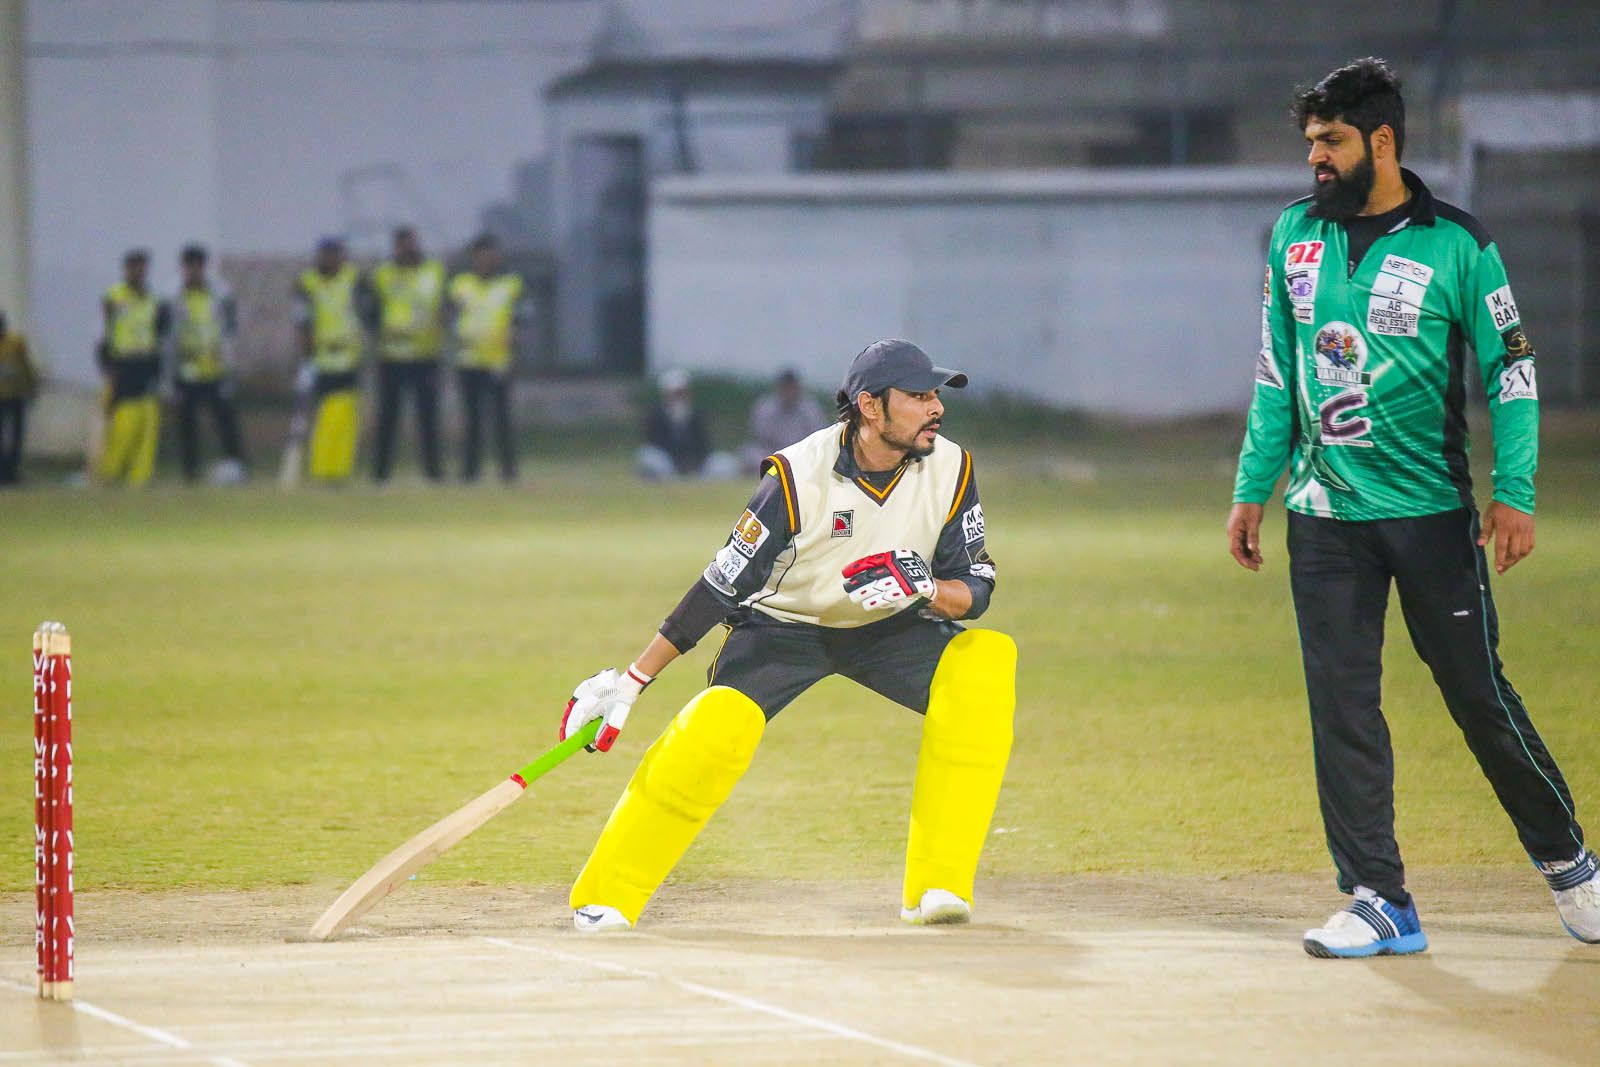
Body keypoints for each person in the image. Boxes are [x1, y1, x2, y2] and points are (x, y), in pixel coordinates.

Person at [1226, 58, 1596, 959]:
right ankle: (1378, 897)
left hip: (1430, 515)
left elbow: (1513, 370)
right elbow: (1277, 369)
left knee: (1477, 695)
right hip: (1323, 516)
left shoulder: (1459, 244)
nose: (1315, 158)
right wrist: (1252, 485)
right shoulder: (1292, 236)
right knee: (1343, 708)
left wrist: (1515, 493)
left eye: (1331, 141)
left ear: (1382, 142)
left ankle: (1572, 867)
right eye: (1311, 142)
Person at [559, 338, 1010, 932]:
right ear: (870, 406)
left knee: (984, 664)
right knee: (718, 725)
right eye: (920, 395)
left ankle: (937, 886)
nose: (937, 408)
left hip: (890, 627)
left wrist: (926, 588)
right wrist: (633, 681)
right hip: (783, 629)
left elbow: (975, 588)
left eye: (937, 396)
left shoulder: (951, 467)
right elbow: (721, 584)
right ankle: (606, 895)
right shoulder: (797, 475)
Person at [448, 233, 525, 483]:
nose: (487, 260)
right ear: (474, 257)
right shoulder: (461, 285)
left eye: (491, 255)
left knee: (502, 418)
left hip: (498, 361)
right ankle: (470, 471)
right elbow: (448, 314)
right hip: (469, 360)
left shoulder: (510, 285)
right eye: (482, 256)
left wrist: (517, 335)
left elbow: (522, 316)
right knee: (472, 419)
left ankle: (508, 471)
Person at [370, 226, 445, 482]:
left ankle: (433, 472)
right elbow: (372, 311)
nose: (408, 249)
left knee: (428, 418)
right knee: (388, 418)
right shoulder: (383, 275)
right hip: (392, 356)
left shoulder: (433, 272)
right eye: (403, 245)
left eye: (411, 243)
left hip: (425, 355)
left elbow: (444, 305)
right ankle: (381, 473)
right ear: (396, 247)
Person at [168, 244, 246, 484]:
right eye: (189, 266)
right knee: (187, 423)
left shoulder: (219, 293)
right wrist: (170, 375)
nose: (193, 271)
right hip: (186, 369)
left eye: (197, 266)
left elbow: (230, 330)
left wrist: (230, 365)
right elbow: (168, 336)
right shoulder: (174, 296)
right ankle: (190, 471)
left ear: (204, 267)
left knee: (226, 419)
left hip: (215, 369)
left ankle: (236, 464)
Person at [294, 237, 368, 484]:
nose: (330, 260)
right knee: (326, 416)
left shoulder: (353, 280)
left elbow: (366, 314)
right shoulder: (308, 284)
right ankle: (322, 467)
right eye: (325, 255)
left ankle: (341, 469)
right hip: (322, 358)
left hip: (349, 357)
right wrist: (306, 357)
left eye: (334, 255)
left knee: (346, 415)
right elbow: (302, 322)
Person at [98, 249, 168, 486]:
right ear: (126, 269)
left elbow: (160, 332)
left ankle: (140, 475)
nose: (139, 272)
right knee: (125, 420)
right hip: (123, 362)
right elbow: (104, 332)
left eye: (143, 267)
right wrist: (107, 365)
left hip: (146, 361)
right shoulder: (113, 296)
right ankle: (112, 470)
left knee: (149, 418)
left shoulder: (154, 299)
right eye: (135, 267)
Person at [637, 368, 738, 480]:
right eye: (675, 393)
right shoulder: (656, 415)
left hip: (696, 465)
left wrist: (694, 461)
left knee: (724, 461)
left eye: (682, 393)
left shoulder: (695, 415)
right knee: (647, 455)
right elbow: (655, 443)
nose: (679, 397)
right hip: (668, 463)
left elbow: (704, 445)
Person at [739, 368, 827, 472]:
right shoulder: (766, 408)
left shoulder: (810, 409)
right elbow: (760, 438)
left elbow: (818, 438)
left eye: (792, 388)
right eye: (786, 388)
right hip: (773, 452)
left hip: (801, 454)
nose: (789, 392)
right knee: (751, 453)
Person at [0, 310, 38, 485]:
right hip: (6, 397)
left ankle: (12, 471)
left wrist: (31, 387)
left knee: (16, 437)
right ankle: (4, 472)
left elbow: (26, 366)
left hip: (15, 395)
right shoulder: (16, 342)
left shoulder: (16, 343)